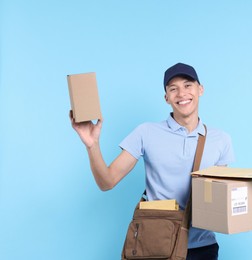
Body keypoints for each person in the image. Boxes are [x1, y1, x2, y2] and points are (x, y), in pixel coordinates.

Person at [70, 62, 235, 260]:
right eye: (173, 89)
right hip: (157, 245)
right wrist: (92, 145)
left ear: (200, 89)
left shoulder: (221, 139)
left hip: (203, 247)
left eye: (188, 85)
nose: (181, 93)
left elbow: (220, 196)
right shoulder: (146, 132)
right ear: (166, 98)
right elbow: (106, 182)